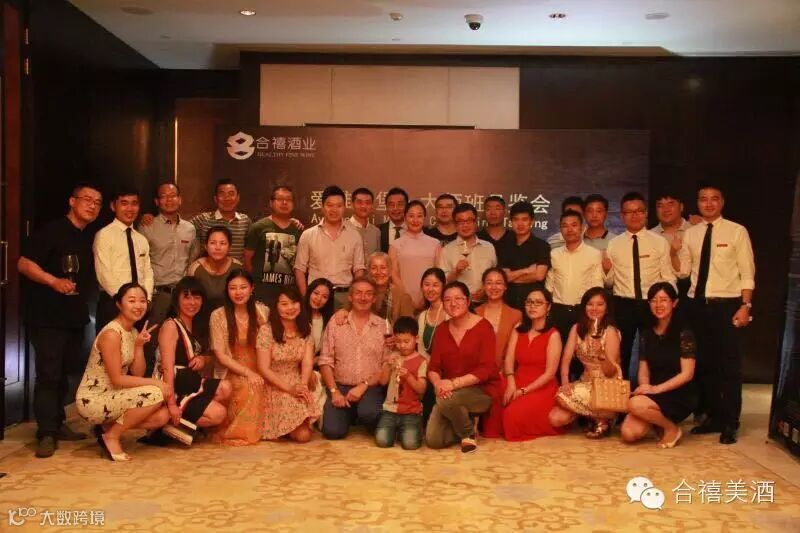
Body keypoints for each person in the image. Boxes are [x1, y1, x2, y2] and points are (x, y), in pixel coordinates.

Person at [18, 183, 101, 457]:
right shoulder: (52, 231)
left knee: (65, 372)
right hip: (47, 316)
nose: (92, 205)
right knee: (49, 374)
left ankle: (57, 422)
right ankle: (46, 432)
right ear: (72, 201)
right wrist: (52, 281)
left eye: (97, 202)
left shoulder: (88, 236)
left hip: (74, 316)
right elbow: (23, 263)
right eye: (86, 199)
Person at [682, 184, 755, 445]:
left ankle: (730, 422)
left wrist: (746, 305)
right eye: (703, 199)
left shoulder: (736, 231)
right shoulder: (691, 234)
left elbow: (747, 272)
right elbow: (684, 272)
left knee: (729, 366)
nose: (708, 203)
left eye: (714, 199)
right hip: (697, 305)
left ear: (722, 202)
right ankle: (713, 417)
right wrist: (673, 251)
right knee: (704, 364)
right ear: (697, 203)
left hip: (727, 305)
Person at [76, 283, 170, 461]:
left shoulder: (132, 331)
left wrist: (139, 346)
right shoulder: (111, 334)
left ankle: (107, 427)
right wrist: (156, 382)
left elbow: (138, 372)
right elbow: (117, 379)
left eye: (142, 301)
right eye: (131, 301)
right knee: (157, 392)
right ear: (119, 304)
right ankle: (111, 436)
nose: (138, 306)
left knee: (162, 417)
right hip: (95, 398)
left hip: (115, 395)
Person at [604, 191, 676, 380]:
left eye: (639, 211)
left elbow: (668, 277)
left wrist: (668, 303)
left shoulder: (659, 242)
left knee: (653, 351)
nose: (634, 215)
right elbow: (609, 282)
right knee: (622, 352)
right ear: (622, 216)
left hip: (651, 304)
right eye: (629, 212)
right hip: (623, 304)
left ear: (646, 213)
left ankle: (651, 392)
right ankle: (621, 394)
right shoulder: (614, 244)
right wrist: (606, 271)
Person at [152, 277, 231, 444]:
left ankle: (181, 424)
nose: (192, 302)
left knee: (226, 388)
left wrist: (203, 359)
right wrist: (171, 404)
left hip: (189, 381)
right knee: (219, 414)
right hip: (174, 385)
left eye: (197, 297)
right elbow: (166, 368)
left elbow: (209, 355)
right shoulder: (171, 325)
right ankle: (168, 424)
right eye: (186, 297)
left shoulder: (197, 323)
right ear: (177, 300)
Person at [620, 282, 697, 448]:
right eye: (654, 301)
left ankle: (671, 428)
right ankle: (657, 421)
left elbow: (687, 374)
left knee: (634, 404)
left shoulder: (684, 333)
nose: (658, 305)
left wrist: (655, 390)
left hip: (678, 393)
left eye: (663, 300)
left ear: (674, 303)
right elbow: (643, 370)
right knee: (628, 434)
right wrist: (645, 387)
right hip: (653, 391)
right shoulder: (646, 333)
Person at [426, 282, 497, 453]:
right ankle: (464, 417)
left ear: (468, 301)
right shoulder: (442, 330)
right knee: (433, 440)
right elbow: (433, 367)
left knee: (446, 401)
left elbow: (486, 370)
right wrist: (438, 384)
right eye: (447, 300)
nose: (453, 303)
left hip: (481, 390)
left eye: (458, 298)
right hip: (449, 392)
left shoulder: (484, 327)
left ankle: (467, 433)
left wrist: (453, 384)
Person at [318, 278, 389, 439]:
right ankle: (348, 414)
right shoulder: (336, 322)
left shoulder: (382, 326)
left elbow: (386, 364)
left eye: (368, 294)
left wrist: (363, 385)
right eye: (358, 293)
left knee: (369, 414)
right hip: (341, 386)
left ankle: (360, 412)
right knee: (333, 432)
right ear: (350, 297)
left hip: (370, 387)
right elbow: (325, 361)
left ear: (374, 298)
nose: (363, 298)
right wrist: (334, 391)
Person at [549, 287, 623, 439]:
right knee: (556, 417)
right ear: (584, 307)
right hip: (585, 382)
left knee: (563, 399)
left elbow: (611, 371)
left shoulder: (610, 332)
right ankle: (597, 417)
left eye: (600, 304)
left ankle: (605, 416)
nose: (594, 308)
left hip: (607, 385)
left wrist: (601, 354)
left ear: (607, 308)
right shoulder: (576, 329)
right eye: (590, 304)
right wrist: (565, 383)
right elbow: (566, 360)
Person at [209, 270, 269, 446]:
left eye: (243, 287)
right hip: (232, 368)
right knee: (249, 386)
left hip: (261, 365)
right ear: (227, 290)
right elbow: (221, 355)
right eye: (233, 288)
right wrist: (248, 373)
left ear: (252, 288)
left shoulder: (263, 312)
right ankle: (239, 433)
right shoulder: (218, 315)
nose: (238, 292)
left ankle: (269, 429)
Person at [258, 286, 320, 442]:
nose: (290, 308)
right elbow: (263, 368)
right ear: (276, 306)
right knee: (303, 435)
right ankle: (281, 427)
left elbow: (307, 362)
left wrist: (303, 385)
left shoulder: (306, 328)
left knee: (304, 435)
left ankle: (290, 427)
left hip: (297, 379)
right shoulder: (266, 330)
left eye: (294, 302)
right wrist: (290, 389)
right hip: (274, 383)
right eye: (284, 304)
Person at [501, 287, 563, 441]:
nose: (532, 306)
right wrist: (511, 382)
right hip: (517, 378)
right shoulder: (519, 329)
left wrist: (523, 391)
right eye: (529, 302)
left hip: (541, 386)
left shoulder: (553, 335)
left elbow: (550, 374)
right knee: (494, 396)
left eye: (538, 302)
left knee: (511, 415)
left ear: (548, 307)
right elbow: (509, 359)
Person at [138, 182, 198, 334]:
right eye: (164, 196)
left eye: (173, 196)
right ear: (157, 201)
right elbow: (140, 262)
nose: (169, 200)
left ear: (180, 199)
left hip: (183, 294)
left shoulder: (190, 229)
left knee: (182, 337)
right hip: (158, 294)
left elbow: (192, 260)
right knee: (151, 338)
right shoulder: (147, 226)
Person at [93, 188, 154, 334]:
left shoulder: (141, 239)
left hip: (139, 307)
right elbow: (103, 274)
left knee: (138, 346)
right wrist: (124, 301)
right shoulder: (104, 235)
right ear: (113, 206)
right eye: (124, 203)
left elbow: (148, 272)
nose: (130, 208)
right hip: (113, 303)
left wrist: (146, 300)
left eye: (134, 204)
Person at [294, 185, 366, 309]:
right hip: (316, 297)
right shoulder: (308, 235)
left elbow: (359, 270)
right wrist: (306, 298)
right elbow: (299, 269)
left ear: (344, 207)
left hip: (344, 296)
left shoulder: (354, 235)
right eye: (330, 205)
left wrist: (354, 298)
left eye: (339, 206)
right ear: (322, 207)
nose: (334, 210)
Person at [475, 268, 522, 439]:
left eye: (498, 283)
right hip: (478, 372)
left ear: (505, 286)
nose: (494, 287)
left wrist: (504, 371)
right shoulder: (475, 313)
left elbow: (515, 351)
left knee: (494, 430)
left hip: (504, 371)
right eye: (489, 283)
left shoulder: (516, 315)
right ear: (483, 286)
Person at [546, 211, 604, 344]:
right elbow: (549, 285)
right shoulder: (554, 254)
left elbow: (597, 287)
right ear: (560, 229)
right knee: (558, 350)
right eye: (565, 225)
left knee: (580, 351)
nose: (569, 229)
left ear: (582, 227)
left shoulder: (594, 254)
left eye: (574, 225)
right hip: (558, 310)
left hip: (582, 311)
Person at [244, 185, 302, 307]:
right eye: (280, 199)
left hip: (289, 294)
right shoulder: (258, 227)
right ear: (271, 203)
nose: (284, 202)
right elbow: (247, 259)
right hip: (262, 293)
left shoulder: (298, 230)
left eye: (288, 199)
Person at [375, 316, 428, 450]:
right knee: (382, 441)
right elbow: (382, 381)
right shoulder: (393, 357)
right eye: (398, 341)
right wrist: (387, 365)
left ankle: (408, 430)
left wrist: (409, 376)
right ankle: (397, 431)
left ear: (416, 339)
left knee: (410, 444)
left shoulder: (421, 361)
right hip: (390, 410)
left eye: (406, 341)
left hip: (411, 412)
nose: (402, 345)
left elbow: (421, 389)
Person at [438, 203, 497, 303]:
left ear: (476, 222)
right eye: (461, 222)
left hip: (486, 303)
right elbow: (443, 282)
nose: (465, 225)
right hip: (457, 304)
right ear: (455, 225)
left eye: (469, 221)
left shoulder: (488, 247)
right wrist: (456, 271)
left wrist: (486, 288)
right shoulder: (447, 250)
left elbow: (495, 275)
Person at [496, 201, 550, 310]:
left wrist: (512, 276)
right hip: (508, 303)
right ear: (511, 222)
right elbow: (504, 277)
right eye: (516, 219)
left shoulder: (542, 246)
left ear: (532, 221)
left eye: (524, 219)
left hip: (533, 305)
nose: (520, 224)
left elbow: (539, 276)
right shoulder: (504, 246)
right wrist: (527, 271)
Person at [389, 200, 441, 308]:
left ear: (424, 218)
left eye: (419, 216)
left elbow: (439, 273)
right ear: (405, 218)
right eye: (411, 216)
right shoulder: (395, 245)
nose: (415, 220)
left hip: (430, 299)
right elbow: (394, 274)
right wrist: (407, 297)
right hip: (403, 300)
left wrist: (426, 297)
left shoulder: (435, 243)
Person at [415, 268, 450, 423]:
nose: (430, 289)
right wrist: (428, 371)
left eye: (435, 285)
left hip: (450, 371)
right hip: (430, 370)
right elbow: (422, 350)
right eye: (426, 284)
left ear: (443, 287)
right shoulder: (422, 316)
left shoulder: (450, 311)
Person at [188, 179, 252, 261]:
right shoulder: (203, 219)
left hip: (237, 268)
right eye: (222, 194)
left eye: (231, 194)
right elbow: (183, 230)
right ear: (216, 199)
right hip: (209, 268)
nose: (227, 198)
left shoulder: (245, 221)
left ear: (238, 198)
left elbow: (250, 250)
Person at [188, 226, 242, 315]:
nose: (218, 247)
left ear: (229, 247)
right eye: (213, 243)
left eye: (223, 243)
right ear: (206, 246)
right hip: (200, 317)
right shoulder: (196, 268)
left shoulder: (237, 267)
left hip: (230, 316)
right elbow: (189, 300)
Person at [303, 277, 335, 358]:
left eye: (324, 297)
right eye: (316, 293)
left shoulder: (329, 319)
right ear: (309, 292)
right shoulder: (297, 313)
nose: (319, 299)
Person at [346, 187, 381, 257]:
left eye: (368, 203)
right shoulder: (343, 228)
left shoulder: (376, 231)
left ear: (372, 206)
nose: (364, 206)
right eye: (359, 202)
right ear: (352, 204)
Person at [379, 187, 408, 252]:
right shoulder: (378, 231)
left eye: (400, 204)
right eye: (391, 205)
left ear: (407, 207)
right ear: (386, 207)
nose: (395, 208)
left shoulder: (416, 230)